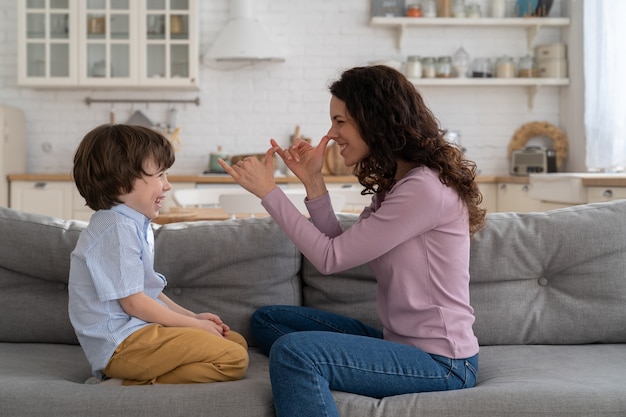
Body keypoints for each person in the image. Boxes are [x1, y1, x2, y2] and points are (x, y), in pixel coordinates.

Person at [219, 65, 486, 417]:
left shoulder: (423, 189)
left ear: (374, 119)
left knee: (294, 352)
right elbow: (337, 248)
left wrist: (269, 193)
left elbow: (329, 259)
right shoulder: (399, 183)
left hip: (442, 361)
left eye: (340, 121)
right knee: (268, 320)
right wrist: (313, 181)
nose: (332, 133)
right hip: (401, 343)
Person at [69, 124, 248, 386]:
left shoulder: (131, 223)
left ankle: (133, 375)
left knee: (235, 342)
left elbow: (146, 291)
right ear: (121, 182)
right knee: (234, 359)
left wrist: (192, 317)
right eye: (160, 175)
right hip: (122, 345)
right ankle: (122, 382)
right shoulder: (115, 229)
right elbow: (135, 304)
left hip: (140, 333)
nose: (168, 185)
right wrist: (195, 327)